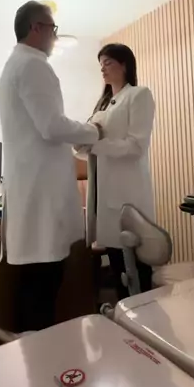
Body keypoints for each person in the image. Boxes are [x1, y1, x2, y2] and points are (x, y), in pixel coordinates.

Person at [0, 0, 102, 332]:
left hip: (31, 186)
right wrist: (94, 131)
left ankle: (28, 346)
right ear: (36, 28)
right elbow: (52, 126)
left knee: (33, 278)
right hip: (40, 191)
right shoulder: (33, 65)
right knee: (44, 279)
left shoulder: (15, 64)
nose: (55, 37)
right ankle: (39, 351)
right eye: (53, 29)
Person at [77, 43, 155, 298]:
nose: (102, 69)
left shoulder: (138, 95)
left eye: (108, 62)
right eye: (100, 64)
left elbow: (136, 146)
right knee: (118, 266)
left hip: (127, 193)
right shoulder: (104, 105)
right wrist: (81, 142)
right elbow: (87, 147)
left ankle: (144, 315)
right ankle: (123, 317)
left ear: (124, 64)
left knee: (135, 266)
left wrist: (96, 145)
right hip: (104, 193)